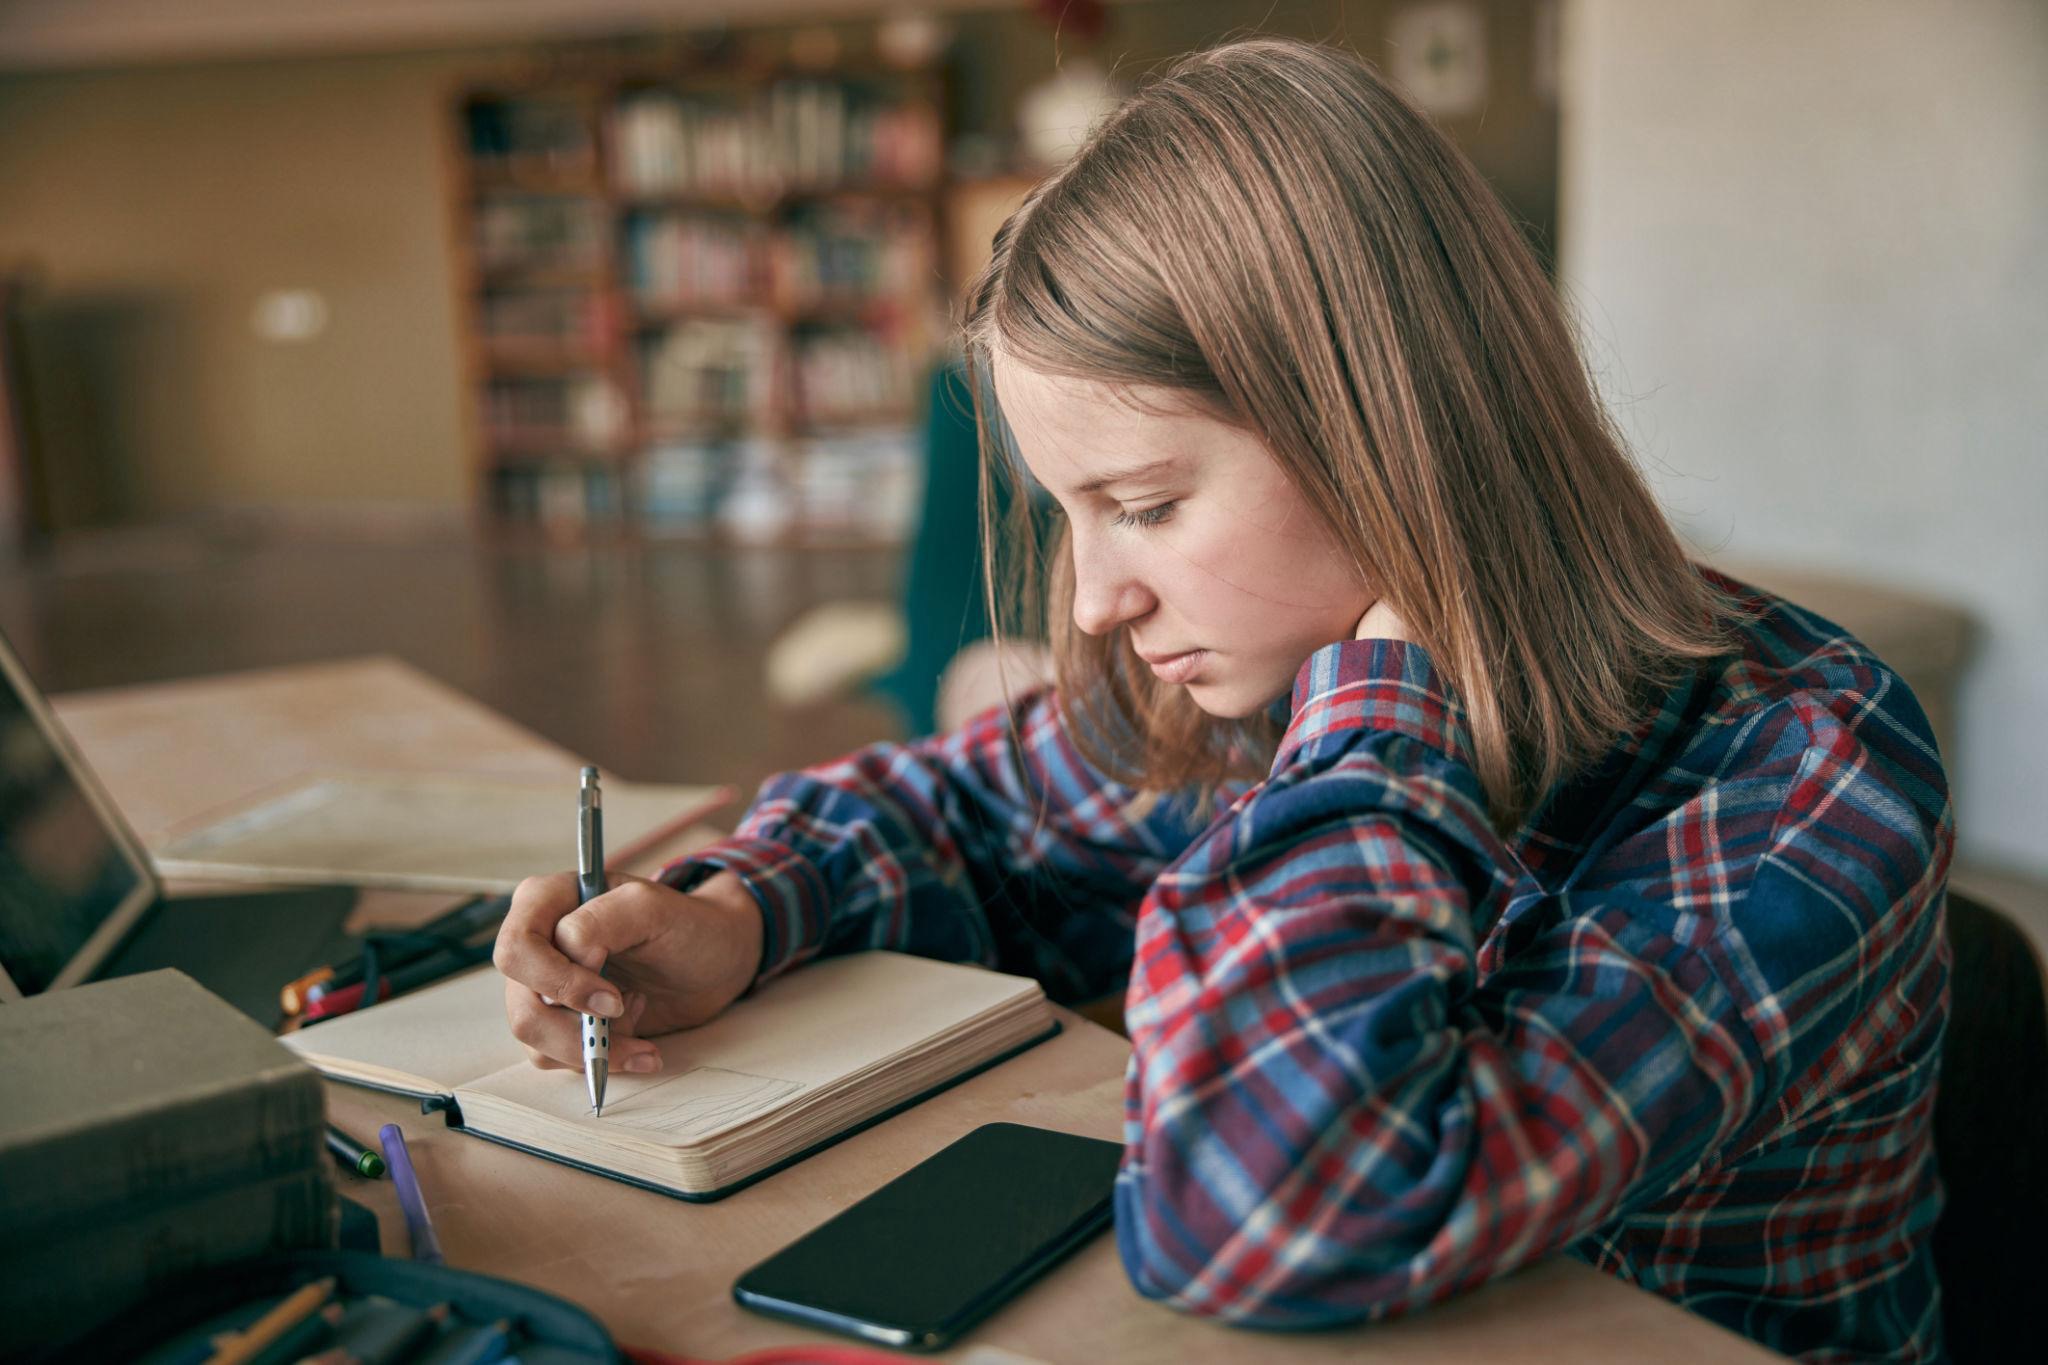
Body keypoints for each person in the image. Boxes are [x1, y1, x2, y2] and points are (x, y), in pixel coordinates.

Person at [494, 38, 1953, 1363]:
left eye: (1143, 504)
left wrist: (1381, 713)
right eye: (1072, 515)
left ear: (1393, 434)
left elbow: (1280, 1205)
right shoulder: (1244, 681)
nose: (1090, 601)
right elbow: (954, 806)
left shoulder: (1801, 774)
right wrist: (741, 909)